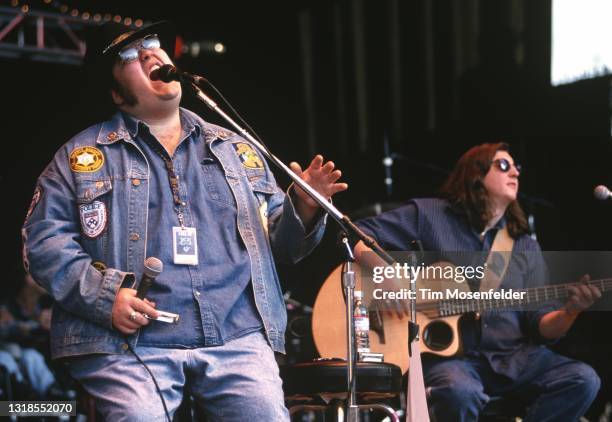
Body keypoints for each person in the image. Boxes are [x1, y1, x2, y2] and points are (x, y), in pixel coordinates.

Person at [22, 20, 347, 421]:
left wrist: (304, 206)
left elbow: (283, 248)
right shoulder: (80, 158)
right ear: (115, 94)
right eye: (128, 55)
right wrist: (106, 299)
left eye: (153, 45)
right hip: (132, 345)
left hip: (236, 334)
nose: (149, 53)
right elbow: (44, 244)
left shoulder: (235, 149)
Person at [354, 142, 601, 421]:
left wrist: (571, 311)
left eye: (517, 167)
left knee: (582, 380)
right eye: (503, 165)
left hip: (514, 358)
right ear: (475, 173)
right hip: (451, 361)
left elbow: (541, 323)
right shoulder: (429, 215)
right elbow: (356, 235)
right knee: (458, 392)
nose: (515, 173)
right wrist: (386, 275)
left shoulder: (524, 245)